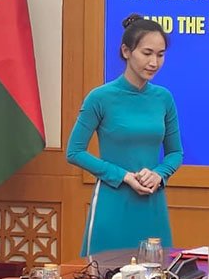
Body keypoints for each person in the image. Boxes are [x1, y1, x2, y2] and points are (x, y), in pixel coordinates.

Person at [67, 14, 183, 256]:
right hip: (113, 201)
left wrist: (159, 174)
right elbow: (74, 152)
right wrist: (123, 176)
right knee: (106, 274)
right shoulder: (100, 98)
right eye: (147, 53)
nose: (154, 62)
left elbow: (175, 153)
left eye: (160, 55)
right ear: (126, 51)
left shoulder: (164, 98)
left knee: (156, 274)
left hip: (153, 203)